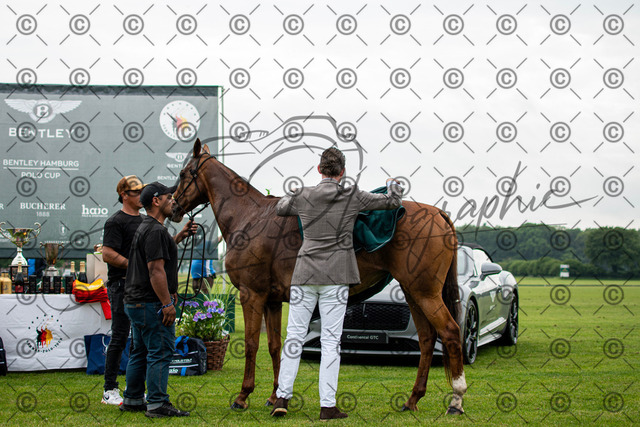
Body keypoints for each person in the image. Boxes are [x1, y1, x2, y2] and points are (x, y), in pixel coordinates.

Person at [271, 147, 403, 420]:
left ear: (319, 169)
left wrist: (294, 192)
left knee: (294, 337)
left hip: (305, 274)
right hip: (337, 276)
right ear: (342, 172)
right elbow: (391, 203)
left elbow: (280, 207)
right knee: (331, 341)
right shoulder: (351, 194)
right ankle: (327, 406)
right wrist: (393, 185)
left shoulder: (303, 194)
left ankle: (282, 397)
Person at [120, 182, 195, 418]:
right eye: (168, 197)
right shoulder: (155, 231)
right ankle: (157, 403)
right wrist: (167, 304)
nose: (172, 201)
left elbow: (157, 254)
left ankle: (132, 399)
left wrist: (179, 236)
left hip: (135, 302)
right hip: (150, 303)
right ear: (156, 201)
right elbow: (155, 270)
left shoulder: (147, 227)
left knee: (140, 351)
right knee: (160, 351)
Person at [101, 175, 145, 406]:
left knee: (139, 339)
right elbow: (107, 253)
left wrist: (180, 235)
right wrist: (134, 265)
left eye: (141, 192)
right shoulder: (115, 221)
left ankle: (134, 389)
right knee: (119, 336)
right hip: (121, 284)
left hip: (141, 286)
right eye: (136, 192)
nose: (141, 196)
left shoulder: (145, 221)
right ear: (124, 195)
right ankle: (109, 389)